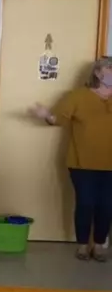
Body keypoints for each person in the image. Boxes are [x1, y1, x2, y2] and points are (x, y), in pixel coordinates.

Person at [29, 56, 112, 262]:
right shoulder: (78, 96)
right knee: (86, 203)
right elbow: (58, 119)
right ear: (98, 73)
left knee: (106, 206)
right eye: (109, 68)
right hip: (82, 163)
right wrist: (46, 114)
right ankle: (83, 245)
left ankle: (99, 245)